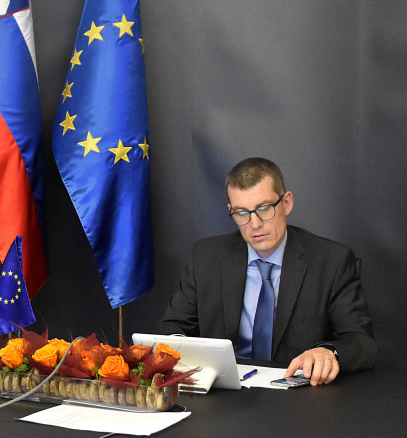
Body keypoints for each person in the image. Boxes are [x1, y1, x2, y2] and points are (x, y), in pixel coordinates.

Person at [158, 157, 376, 385]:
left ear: (287, 203)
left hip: (299, 396)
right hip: (224, 394)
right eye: (242, 212)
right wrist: (179, 354)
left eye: (264, 209)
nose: (255, 224)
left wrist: (328, 353)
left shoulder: (331, 261)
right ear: (230, 211)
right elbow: (172, 328)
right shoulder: (206, 257)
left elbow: (361, 342)